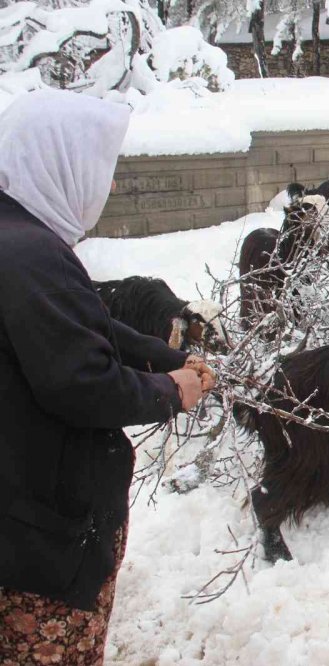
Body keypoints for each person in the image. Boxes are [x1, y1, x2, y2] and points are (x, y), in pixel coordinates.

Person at [0, 90, 216, 665]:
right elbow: (81, 381)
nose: (110, 187)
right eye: (103, 169)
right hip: (38, 547)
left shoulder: (17, 239)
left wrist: (163, 357)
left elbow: (80, 326)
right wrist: (173, 391)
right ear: (60, 162)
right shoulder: (29, 255)